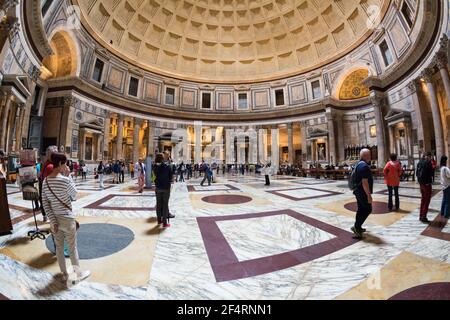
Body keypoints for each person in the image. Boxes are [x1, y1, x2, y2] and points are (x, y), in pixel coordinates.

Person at [41, 152, 90, 285]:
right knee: (72, 248)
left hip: (55, 221)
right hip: (68, 220)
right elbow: (74, 195)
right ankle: (78, 274)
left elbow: (45, 203)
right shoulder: (65, 180)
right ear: (61, 164)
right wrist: (68, 176)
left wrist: (53, 220)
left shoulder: (45, 181)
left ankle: (64, 274)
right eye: (65, 164)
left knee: (59, 248)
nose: (66, 167)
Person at [351, 149, 374, 239]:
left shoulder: (358, 164)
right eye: (368, 155)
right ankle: (356, 227)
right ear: (364, 156)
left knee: (361, 209)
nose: (370, 157)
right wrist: (369, 195)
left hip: (357, 191)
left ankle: (358, 227)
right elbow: (365, 182)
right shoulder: (364, 166)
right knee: (368, 209)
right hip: (362, 192)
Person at [39, 145, 58, 222]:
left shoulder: (46, 163)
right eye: (55, 153)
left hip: (44, 190)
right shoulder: (50, 166)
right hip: (49, 192)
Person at [154, 153, 173, 228]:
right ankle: (165, 223)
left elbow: (154, 176)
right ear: (162, 159)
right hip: (166, 188)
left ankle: (159, 220)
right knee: (165, 205)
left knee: (158, 204)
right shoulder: (167, 166)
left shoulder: (154, 167)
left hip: (158, 187)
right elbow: (170, 177)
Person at [416, 153, 434, 223]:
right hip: (427, 184)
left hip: (421, 183)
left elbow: (417, 173)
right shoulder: (428, 162)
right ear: (429, 156)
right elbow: (431, 173)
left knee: (423, 199)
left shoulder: (420, 161)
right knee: (427, 201)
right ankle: (424, 217)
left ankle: (421, 215)